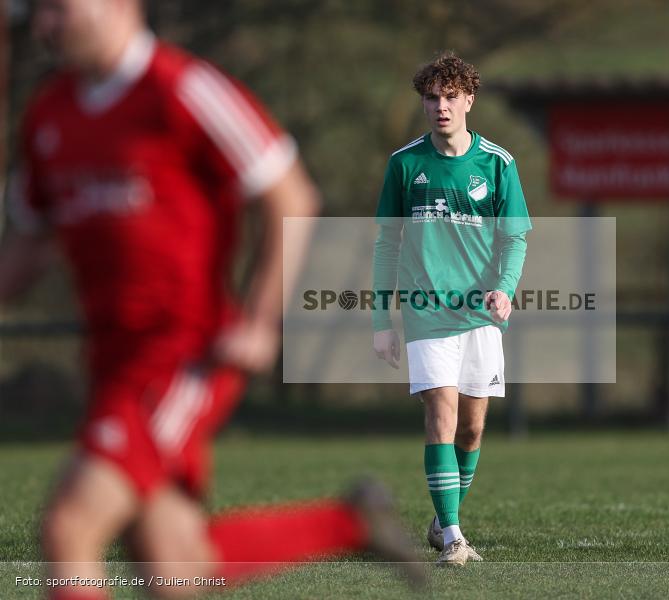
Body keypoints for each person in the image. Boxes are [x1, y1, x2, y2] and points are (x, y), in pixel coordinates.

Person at [0, 1, 422, 597]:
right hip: (112, 363)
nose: (44, 25)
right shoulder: (49, 115)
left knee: (71, 529)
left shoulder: (182, 90)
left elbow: (291, 195)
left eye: (57, 6)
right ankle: (349, 520)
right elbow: (26, 245)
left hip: (181, 353)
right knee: (175, 568)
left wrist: (258, 320)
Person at [371, 53, 531, 567]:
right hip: (426, 310)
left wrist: (504, 288)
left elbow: (516, 239)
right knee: (442, 415)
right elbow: (386, 245)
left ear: (468, 100)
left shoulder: (498, 164)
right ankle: (455, 536)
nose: (440, 107)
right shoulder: (405, 164)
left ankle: (443, 517)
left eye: (449, 97)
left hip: (481, 314)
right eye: (431, 98)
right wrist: (381, 321)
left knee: (472, 428)